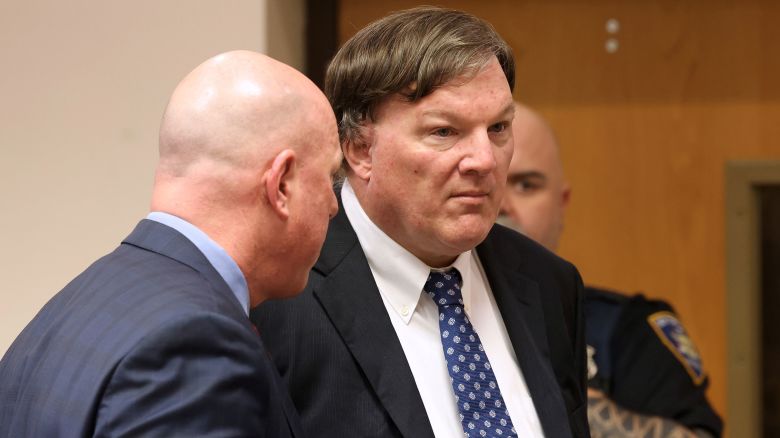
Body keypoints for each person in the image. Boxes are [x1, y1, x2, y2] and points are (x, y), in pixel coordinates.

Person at [251, 7, 589, 438]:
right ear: (359, 149)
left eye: (499, 127)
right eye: (444, 132)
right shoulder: (276, 297)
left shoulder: (548, 284)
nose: (484, 160)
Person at [0, 50, 342, 437]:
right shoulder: (200, 344)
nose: (333, 205)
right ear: (281, 183)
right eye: (329, 179)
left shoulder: (78, 302)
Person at [498, 103, 723, 437]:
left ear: (562, 204)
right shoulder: (405, 316)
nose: (501, 203)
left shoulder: (622, 328)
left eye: (526, 185)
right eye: (488, 181)